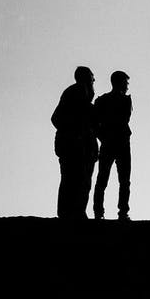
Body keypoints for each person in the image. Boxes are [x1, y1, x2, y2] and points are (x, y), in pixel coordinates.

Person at [51, 66, 98, 219]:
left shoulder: (80, 96)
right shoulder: (76, 92)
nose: (94, 80)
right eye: (92, 77)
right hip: (74, 147)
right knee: (74, 179)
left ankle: (74, 212)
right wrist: (75, 135)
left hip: (80, 147)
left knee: (78, 180)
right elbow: (57, 118)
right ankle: (70, 213)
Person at [93, 70, 132, 221]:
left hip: (110, 142)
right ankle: (122, 212)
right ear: (120, 82)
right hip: (119, 142)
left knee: (103, 178)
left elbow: (95, 123)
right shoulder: (124, 101)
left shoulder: (102, 100)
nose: (127, 86)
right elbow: (124, 120)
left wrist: (102, 136)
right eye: (126, 83)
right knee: (122, 180)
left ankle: (99, 212)